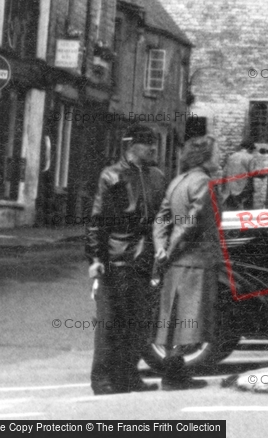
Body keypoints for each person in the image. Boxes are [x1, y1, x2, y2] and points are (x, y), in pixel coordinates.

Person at [86, 124, 166, 395]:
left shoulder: (156, 176)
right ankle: (102, 379)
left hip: (145, 258)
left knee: (139, 322)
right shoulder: (112, 176)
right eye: (147, 143)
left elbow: (162, 217)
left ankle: (128, 375)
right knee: (110, 323)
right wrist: (96, 258)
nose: (153, 148)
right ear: (132, 146)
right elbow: (98, 221)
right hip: (117, 258)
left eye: (153, 142)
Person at [152, 135, 223, 390]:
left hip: (177, 262)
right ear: (204, 157)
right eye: (217, 153)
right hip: (197, 260)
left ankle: (175, 373)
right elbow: (191, 221)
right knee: (190, 319)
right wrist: (169, 249)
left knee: (175, 319)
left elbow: (161, 219)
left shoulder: (177, 181)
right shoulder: (204, 182)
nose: (220, 157)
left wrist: (161, 249)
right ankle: (174, 376)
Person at [222, 138, 263, 210]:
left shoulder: (232, 156)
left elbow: (224, 172)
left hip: (230, 190)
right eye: (252, 149)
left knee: (230, 213)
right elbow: (252, 172)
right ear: (249, 148)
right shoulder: (250, 157)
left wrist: (224, 188)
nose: (252, 151)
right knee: (247, 213)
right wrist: (263, 174)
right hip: (244, 190)